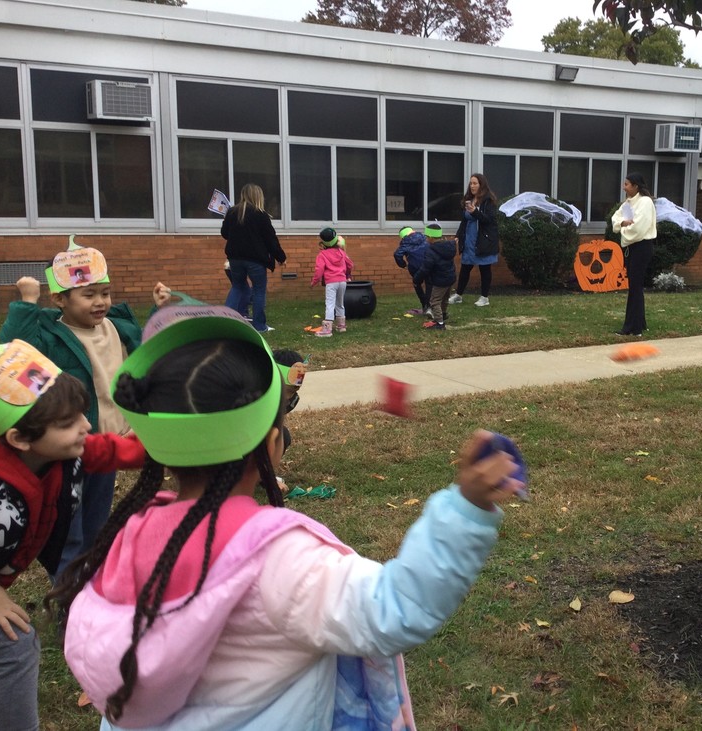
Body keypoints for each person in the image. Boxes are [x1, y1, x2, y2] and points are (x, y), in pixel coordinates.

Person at [51, 307, 523, 730]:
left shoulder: (130, 533)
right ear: (272, 443)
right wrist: (465, 508)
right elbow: (393, 609)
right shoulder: (277, 558)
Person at [0, 338, 144, 731]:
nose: (85, 426)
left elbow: (114, 451)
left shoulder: (56, 449)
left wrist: (178, 446)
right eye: (68, 423)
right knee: (16, 647)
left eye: (81, 414)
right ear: (19, 439)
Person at [0, 238, 169, 581]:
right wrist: (26, 303)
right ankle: (66, 596)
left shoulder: (118, 325)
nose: (101, 302)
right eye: (89, 295)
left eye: (104, 293)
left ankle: (91, 583)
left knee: (96, 524)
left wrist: (159, 310)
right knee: (68, 532)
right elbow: (10, 352)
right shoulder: (49, 335)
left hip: (107, 442)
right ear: (60, 299)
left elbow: (144, 351)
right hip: (67, 450)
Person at [222, 183, 286, 333]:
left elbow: (225, 233)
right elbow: (270, 239)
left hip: (235, 258)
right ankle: (259, 326)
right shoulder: (260, 215)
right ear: (258, 196)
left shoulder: (232, 212)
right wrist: (281, 257)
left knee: (237, 287)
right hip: (255, 260)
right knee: (259, 290)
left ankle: (225, 321)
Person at [611, 172, 657, 336]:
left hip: (642, 247)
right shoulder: (628, 203)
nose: (624, 187)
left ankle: (633, 328)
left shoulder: (645, 202)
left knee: (635, 288)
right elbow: (615, 219)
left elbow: (638, 228)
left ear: (636, 186)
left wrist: (623, 230)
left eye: (627, 184)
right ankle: (640, 322)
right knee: (635, 286)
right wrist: (623, 222)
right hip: (633, 247)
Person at [449, 173, 500, 308]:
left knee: (484, 269)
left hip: (483, 240)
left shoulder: (488, 201)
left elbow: (488, 219)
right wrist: (458, 235)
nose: (472, 186)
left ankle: (484, 297)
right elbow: (464, 221)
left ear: (481, 184)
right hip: (469, 241)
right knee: (465, 267)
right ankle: (458, 295)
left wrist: (474, 212)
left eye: (475, 183)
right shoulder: (469, 200)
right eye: (471, 183)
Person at [271, 348, 307, 494]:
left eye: (292, 392)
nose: (287, 397)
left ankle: (263, 474)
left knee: (282, 434)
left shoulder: (290, 401)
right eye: (284, 390)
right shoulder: (252, 397)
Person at [309, 227, 354, 337]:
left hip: (331, 282)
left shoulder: (322, 255)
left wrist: (314, 282)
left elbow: (319, 271)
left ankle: (327, 330)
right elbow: (350, 265)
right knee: (340, 304)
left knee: (329, 304)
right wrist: (347, 274)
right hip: (342, 281)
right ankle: (341, 326)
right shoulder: (341, 252)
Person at [414, 223, 457, 331]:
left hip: (440, 280)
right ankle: (443, 314)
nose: (426, 239)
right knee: (445, 298)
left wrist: (416, 279)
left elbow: (425, 268)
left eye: (427, 236)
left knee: (434, 301)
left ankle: (439, 323)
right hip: (450, 278)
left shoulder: (431, 251)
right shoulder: (449, 246)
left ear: (431, 238)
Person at [393, 225, 430, 316]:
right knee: (430, 285)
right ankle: (431, 307)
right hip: (429, 265)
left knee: (417, 284)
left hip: (416, 268)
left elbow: (397, 254)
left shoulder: (405, 242)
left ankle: (425, 306)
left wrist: (403, 265)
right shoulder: (424, 238)